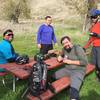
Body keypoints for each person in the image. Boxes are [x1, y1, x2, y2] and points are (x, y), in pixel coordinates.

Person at [53, 36, 88, 100]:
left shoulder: (77, 48)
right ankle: (60, 89)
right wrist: (59, 57)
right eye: (63, 44)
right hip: (67, 69)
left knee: (74, 90)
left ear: (70, 41)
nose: (65, 45)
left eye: (67, 42)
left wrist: (70, 61)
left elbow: (85, 62)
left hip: (78, 70)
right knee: (53, 76)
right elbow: (61, 56)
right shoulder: (64, 49)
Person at [83, 9, 100, 81]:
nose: (93, 19)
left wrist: (98, 35)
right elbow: (91, 39)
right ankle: (98, 77)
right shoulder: (92, 26)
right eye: (92, 17)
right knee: (95, 63)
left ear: (98, 16)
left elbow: (97, 35)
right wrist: (85, 47)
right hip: (94, 47)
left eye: (94, 17)